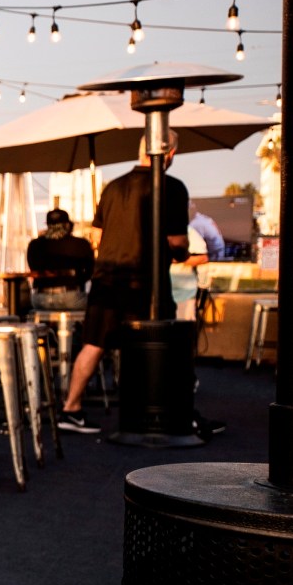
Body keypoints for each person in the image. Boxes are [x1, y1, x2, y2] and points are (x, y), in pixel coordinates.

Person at [57, 135, 190, 435]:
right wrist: (181, 254)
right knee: (158, 345)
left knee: (93, 345)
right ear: (169, 153)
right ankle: (162, 413)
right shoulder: (171, 187)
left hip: (106, 279)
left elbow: (97, 236)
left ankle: (71, 409)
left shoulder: (113, 187)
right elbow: (177, 242)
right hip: (146, 282)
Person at [26, 208, 93, 312]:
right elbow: (90, 271)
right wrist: (77, 279)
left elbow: (33, 268)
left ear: (48, 225)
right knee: (97, 304)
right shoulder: (81, 244)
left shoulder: (34, 245)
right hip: (71, 298)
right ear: (67, 225)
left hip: (41, 299)